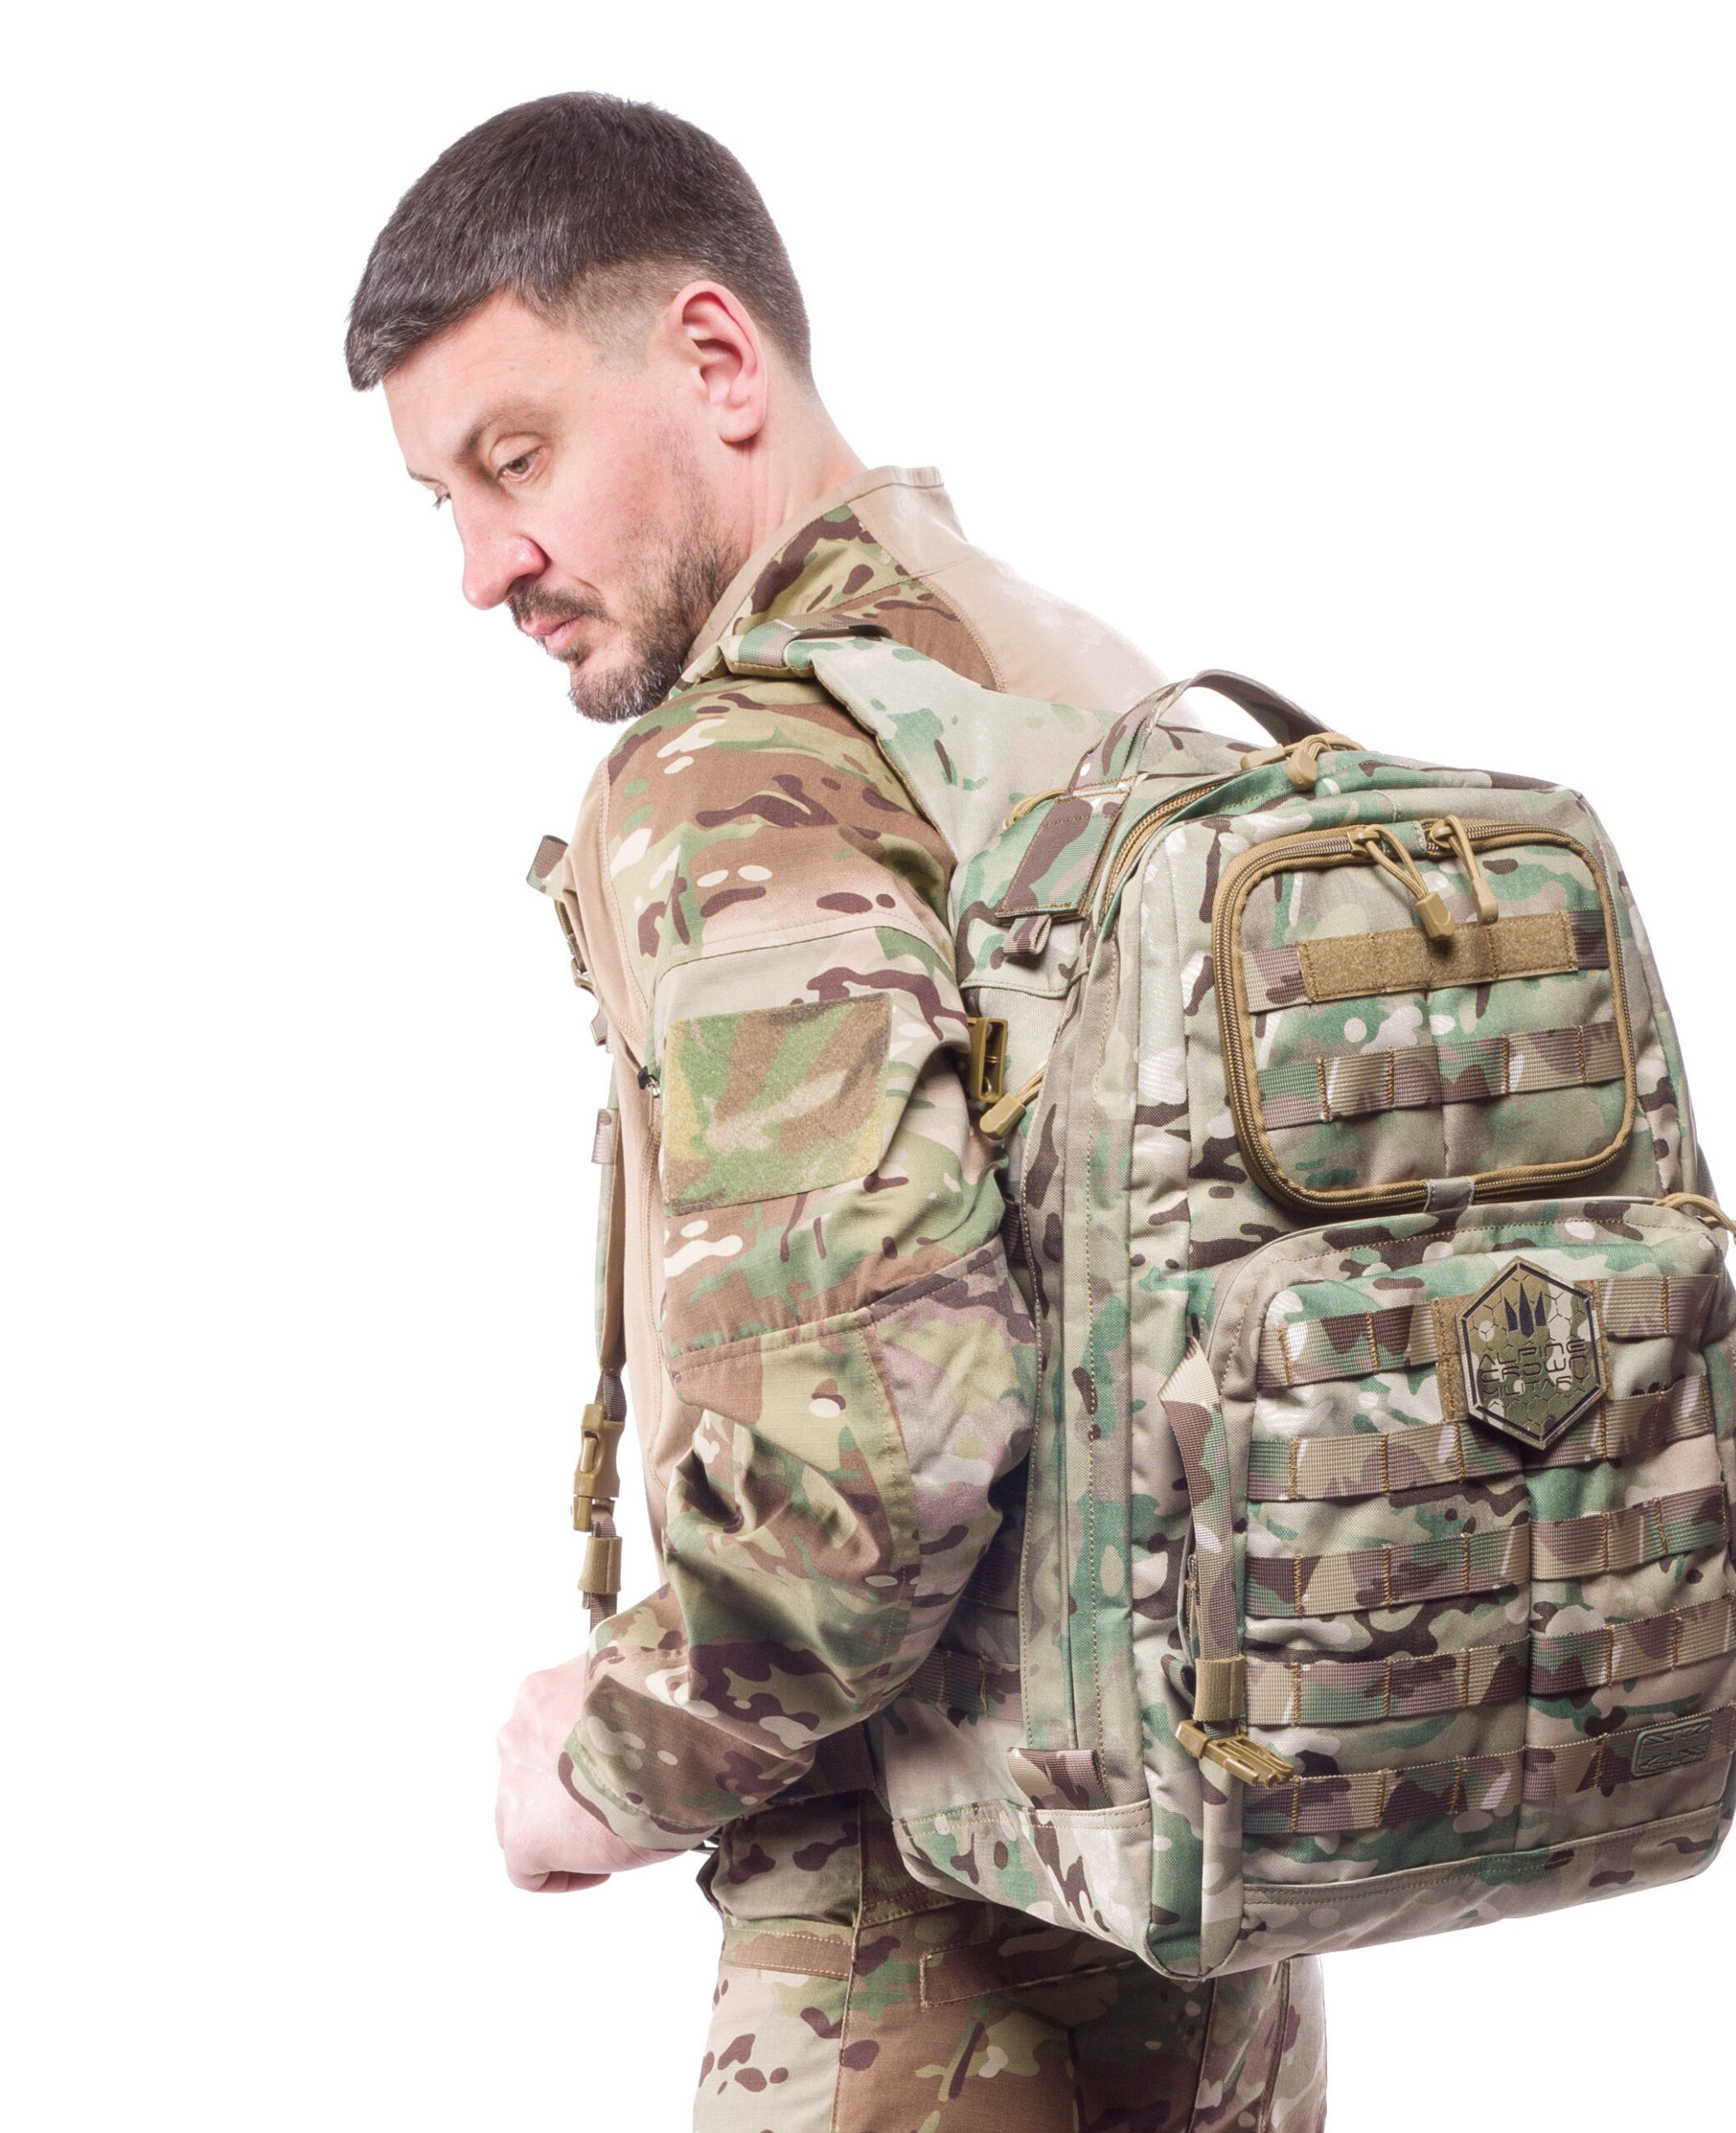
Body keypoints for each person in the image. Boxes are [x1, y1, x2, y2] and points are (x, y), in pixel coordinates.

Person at [347, 93, 1326, 2131]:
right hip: (1209, 1906)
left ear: (716, 361)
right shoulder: (1080, 674)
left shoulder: (736, 767)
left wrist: (596, 1760)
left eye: (514, 461)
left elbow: (870, 1462)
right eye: (440, 497)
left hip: (921, 1956)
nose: (479, 565)